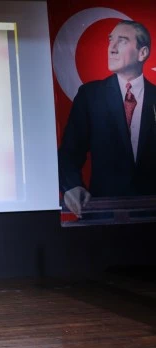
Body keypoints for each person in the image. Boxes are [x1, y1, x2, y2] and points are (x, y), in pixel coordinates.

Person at [58, 19, 156, 218]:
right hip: (104, 217)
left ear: (142, 53)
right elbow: (69, 152)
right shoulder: (90, 96)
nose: (111, 48)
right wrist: (72, 186)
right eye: (111, 40)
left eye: (122, 41)